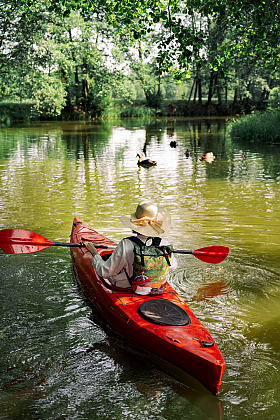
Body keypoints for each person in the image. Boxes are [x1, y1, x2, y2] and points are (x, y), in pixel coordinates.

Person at [85, 200, 177, 291]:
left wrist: (94, 253)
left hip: (125, 288)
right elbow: (172, 266)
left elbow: (105, 272)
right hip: (157, 289)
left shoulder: (126, 244)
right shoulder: (164, 244)